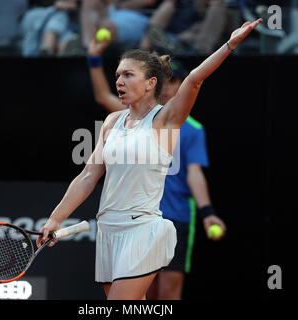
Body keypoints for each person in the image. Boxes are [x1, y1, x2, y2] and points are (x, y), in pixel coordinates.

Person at [37, 18, 262, 300]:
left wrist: (230, 44)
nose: (119, 80)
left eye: (128, 75)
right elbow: (87, 176)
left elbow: (194, 79)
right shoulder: (111, 122)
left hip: (142, 230)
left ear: (150, 83)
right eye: (118, 74)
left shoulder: (166, 119)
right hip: (109, 231)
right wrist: (55, 219)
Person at [87, 37, 227, 300]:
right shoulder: (127, 119)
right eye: (168, 80)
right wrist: (94, 59)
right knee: (141, 297)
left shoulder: (190, 128)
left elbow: (194, 174)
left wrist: (207, 212)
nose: (168, 87)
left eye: (174, 82)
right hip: (130, 221)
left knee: (167, 293)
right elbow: (102, 97)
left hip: (172, 217)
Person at [140, 0, 229, 55]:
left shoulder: (217, 9)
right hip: (171, 42)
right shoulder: (173, 5)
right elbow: (154, 31)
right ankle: (143, 53)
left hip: (196, 52)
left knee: (217, 5)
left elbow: (203, 44)